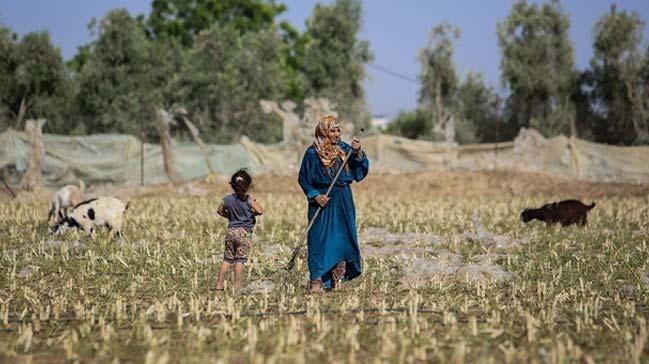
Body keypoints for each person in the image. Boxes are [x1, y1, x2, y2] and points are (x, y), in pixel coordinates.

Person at [298, 115, 369, 293]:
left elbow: (359, 168)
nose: (337, 134)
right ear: (323, 131)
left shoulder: (345, 149)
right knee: (319, 238)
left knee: (342, 237)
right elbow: (303, 179)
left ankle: (336, 277)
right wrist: (315, 196)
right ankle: (316, 279)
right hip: (322, 200)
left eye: (338, 130)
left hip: (342, 198)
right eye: (332, 130)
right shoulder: (312, 153)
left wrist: (358, 152)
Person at [215, 168, 264, 290]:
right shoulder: (248, 200)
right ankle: (237, 286)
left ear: (232, 185)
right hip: (244, 233)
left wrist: (230, 215)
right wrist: (251, 211)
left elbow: (219, 210)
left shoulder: (227, 199)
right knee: (239, 260)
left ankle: (219, 284)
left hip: (231, 232)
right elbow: (260, 211)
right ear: (248, 186)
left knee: (227, 259)